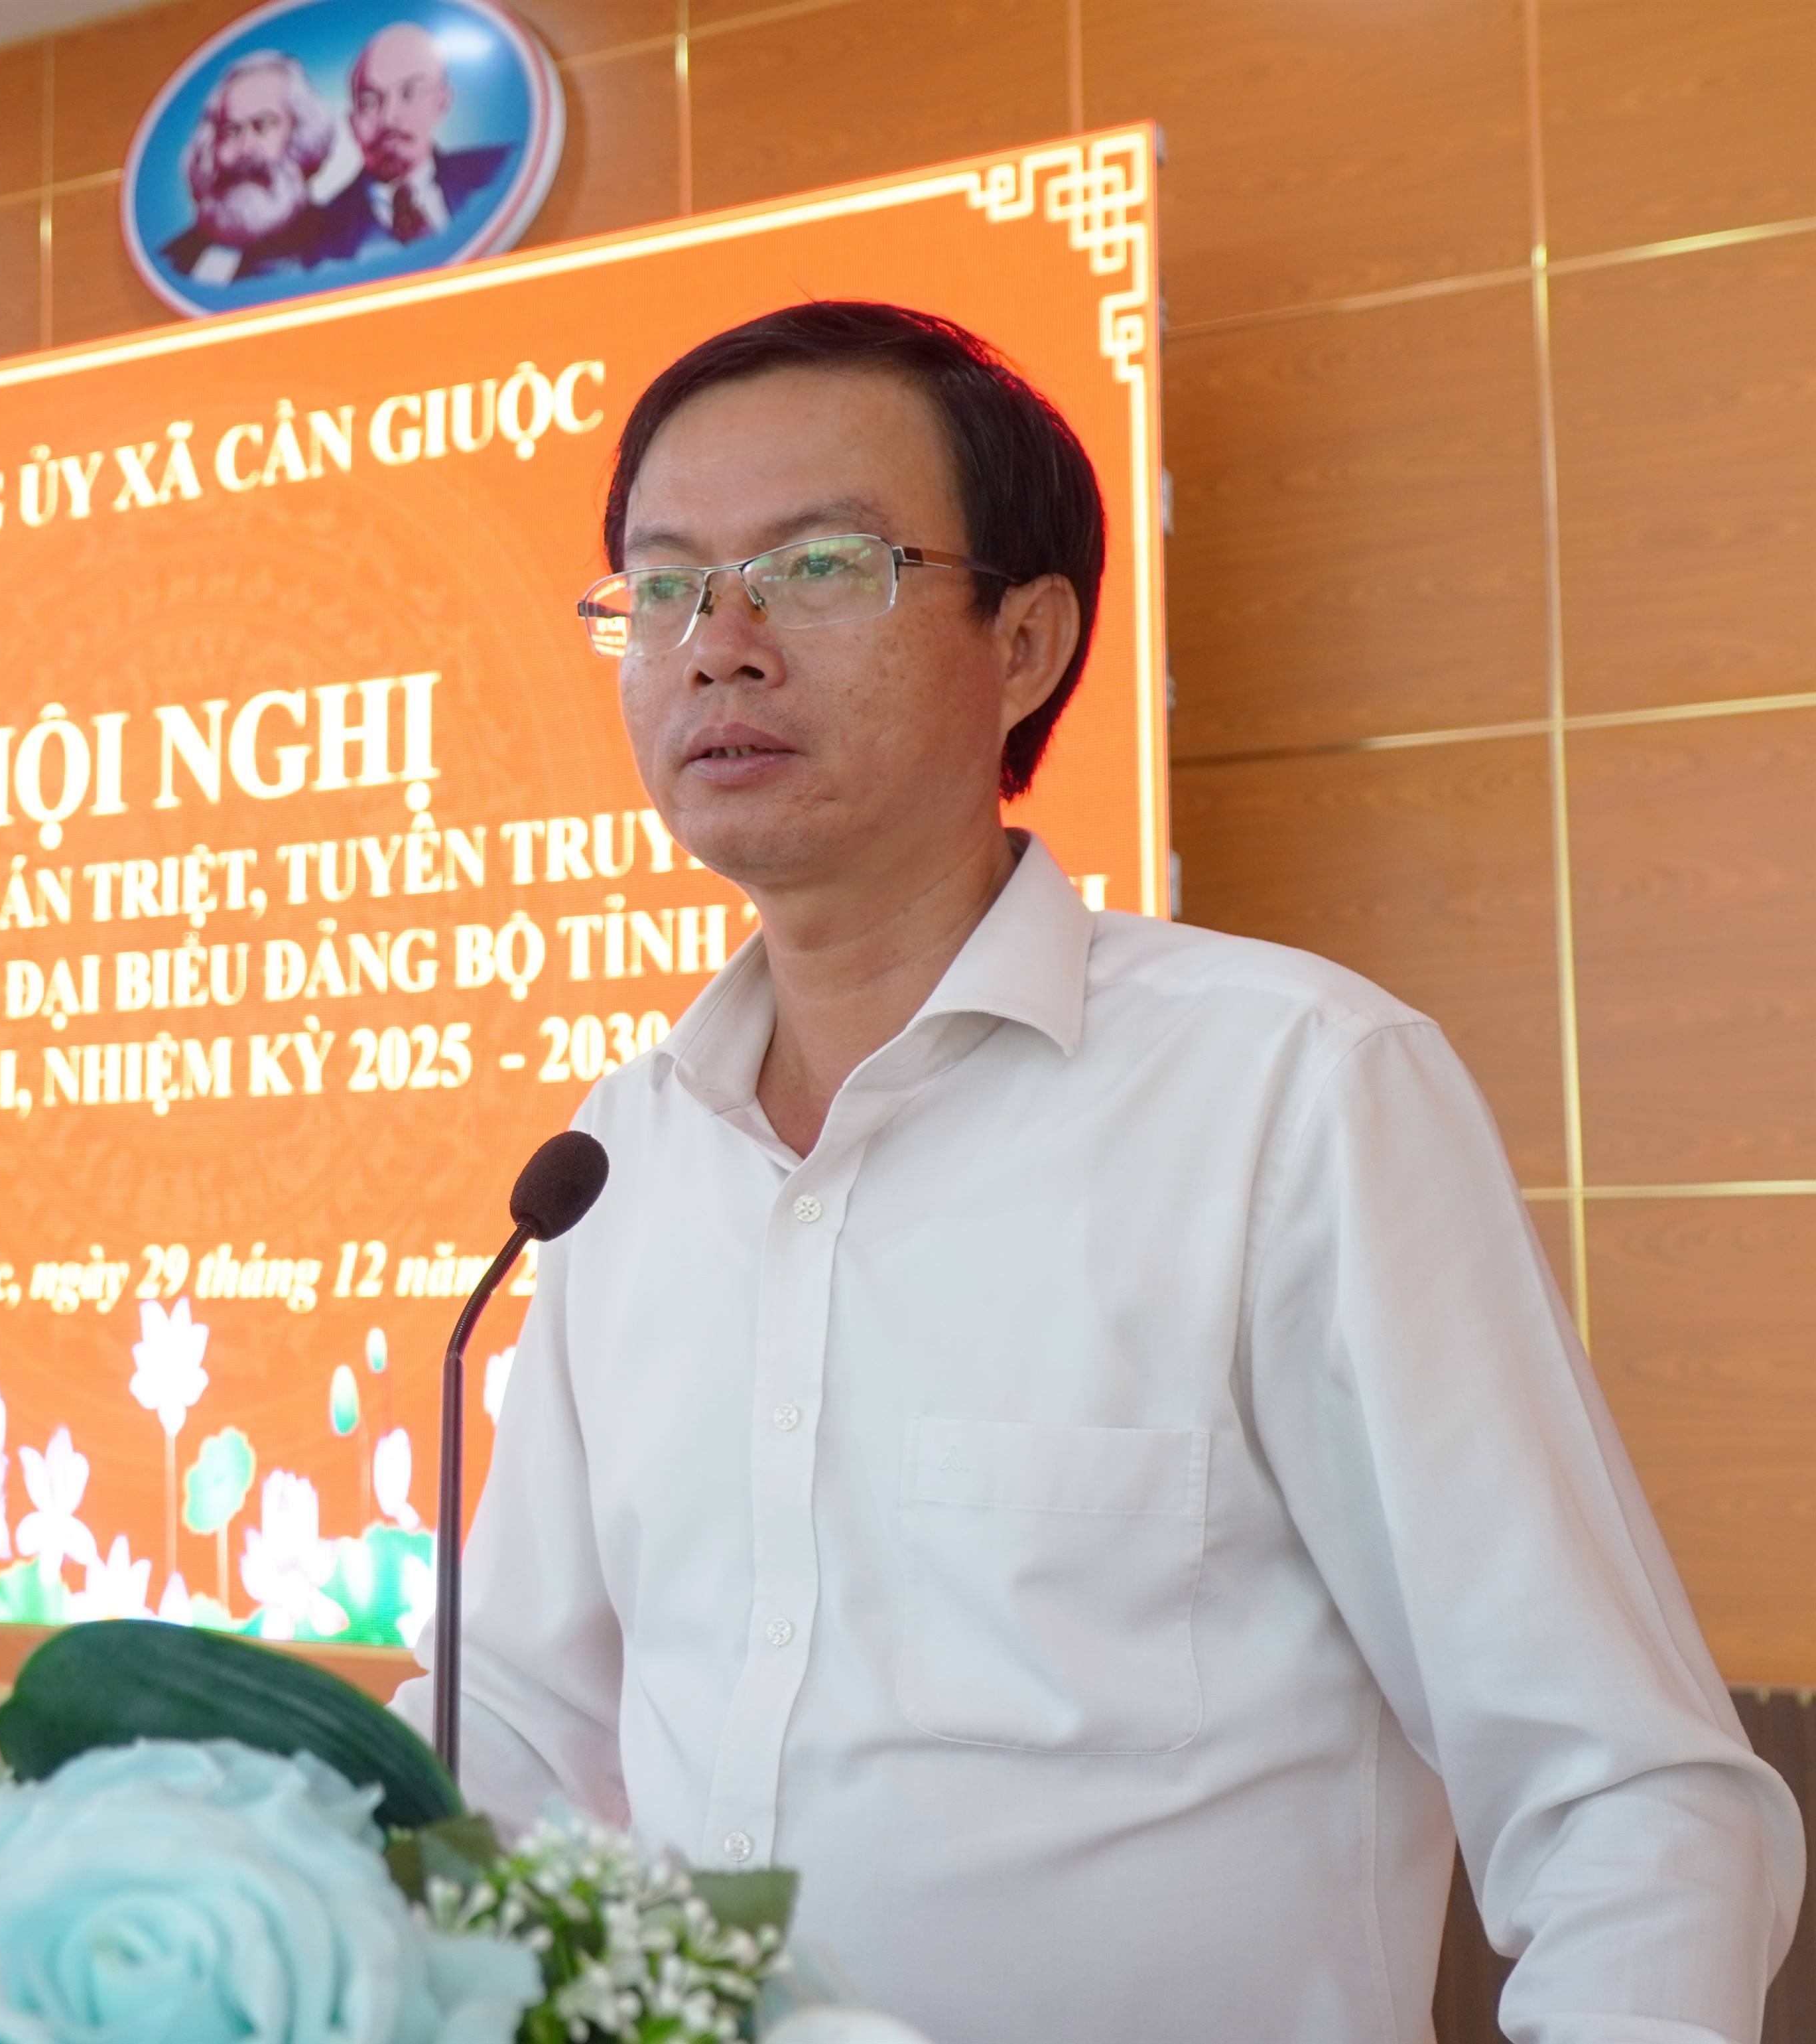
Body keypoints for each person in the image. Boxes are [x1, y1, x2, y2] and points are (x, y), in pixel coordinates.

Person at [395, 301, 1801, 2043]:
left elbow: (1626, 1801)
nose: (718, 646)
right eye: (666, 585)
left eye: (817, 567)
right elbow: (519, 1730)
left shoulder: (1291, 1090)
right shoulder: (622, 1152)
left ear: (1027, 640)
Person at [310, 22, 513, 260]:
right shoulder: (319, 240)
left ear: (442, 101)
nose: (389, 118)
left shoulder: (502, 173)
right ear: (352, 122)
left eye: (409, 92)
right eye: (369, 102)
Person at [161, 50, 336, 287]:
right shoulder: (175, 260)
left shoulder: (341, 244)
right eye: (231, 131)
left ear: (301, 136)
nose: (245, 149)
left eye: (262, 126)